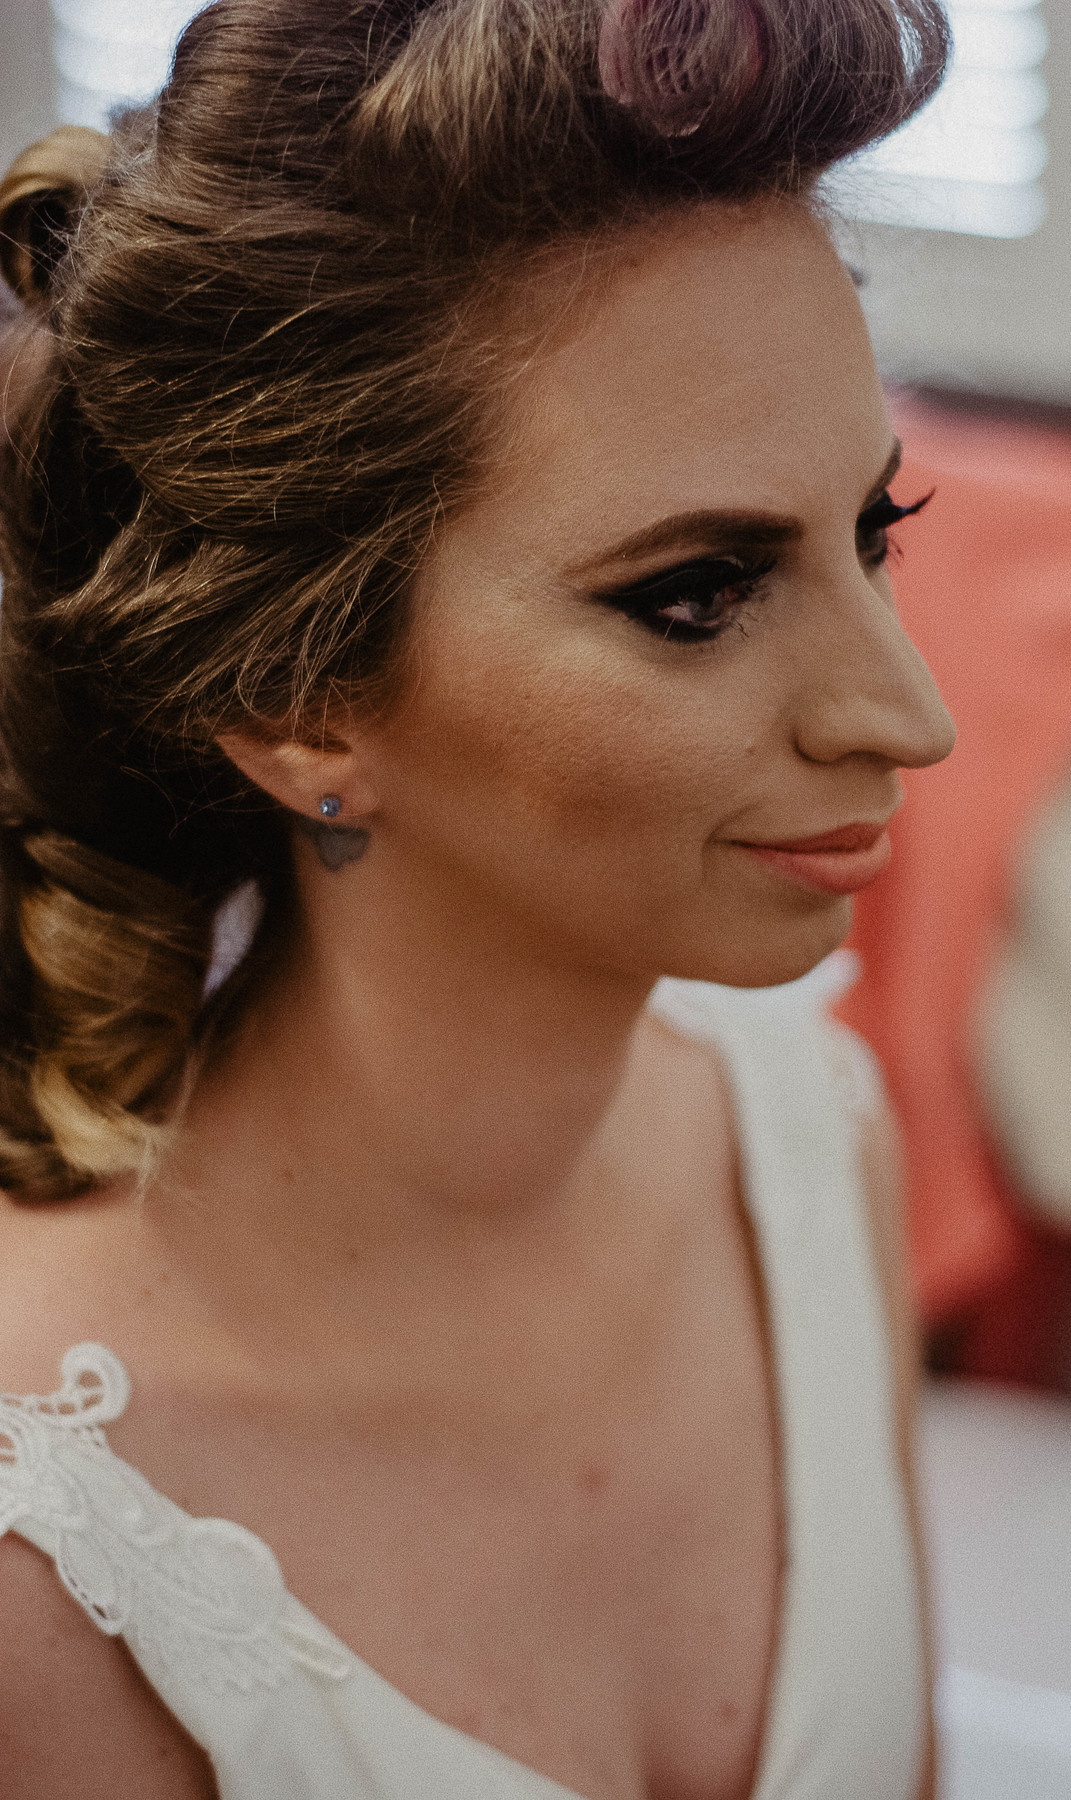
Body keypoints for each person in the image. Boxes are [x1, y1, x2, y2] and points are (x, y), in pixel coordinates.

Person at [0, 1, 955, 1795]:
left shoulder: (814, 1147)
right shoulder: (43, 1559)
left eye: (873, 531)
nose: (911, 716)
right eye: (697, 595)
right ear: (299, 706)